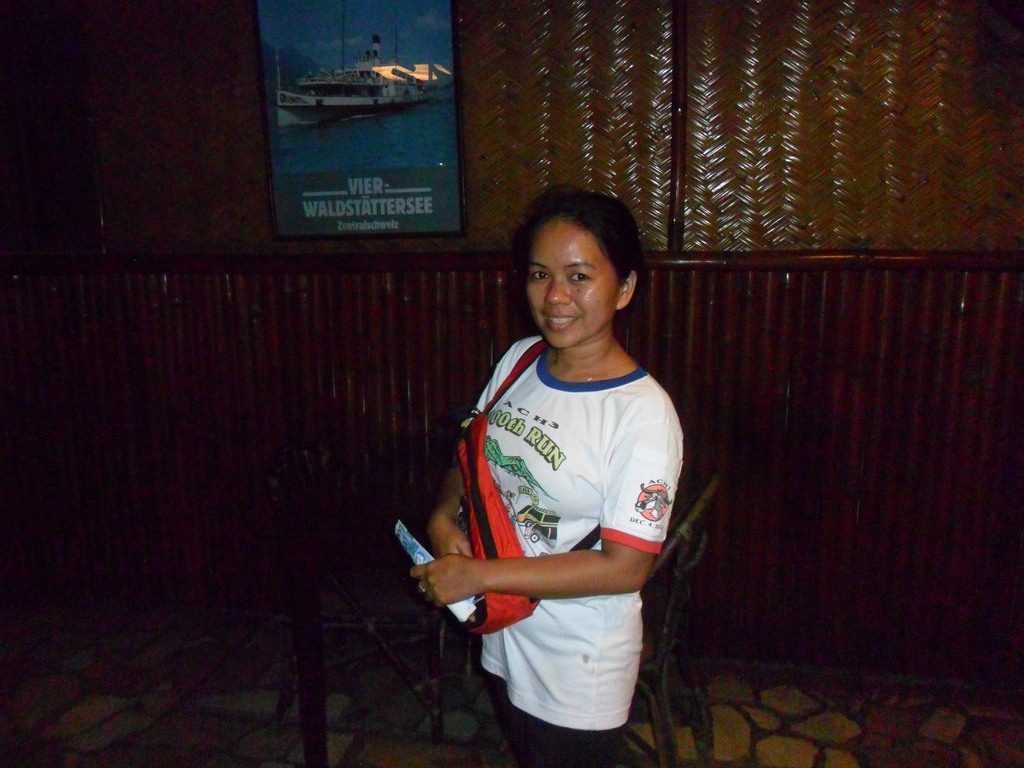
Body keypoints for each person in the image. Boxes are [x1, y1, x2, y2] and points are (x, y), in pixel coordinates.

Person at [411, 186, 684, 768]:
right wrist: (441, 516)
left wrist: (476, 575)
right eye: (540, 274)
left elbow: (626, 567)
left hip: (578, 663)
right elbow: (470, 454)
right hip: (507, 630)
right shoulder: (521, 360)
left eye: (579, 276)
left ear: (625, 288)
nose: (556, 296)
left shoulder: (641, 414)